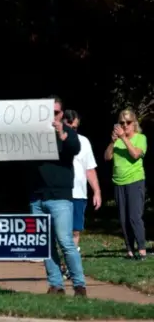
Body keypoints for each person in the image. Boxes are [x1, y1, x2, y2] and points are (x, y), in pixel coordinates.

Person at [0, 95, 87, 297]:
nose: (52, 117)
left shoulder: (68, 133)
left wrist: (62, 132)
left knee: (65, 241)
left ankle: (79, 285)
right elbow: (9, 147)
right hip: (37, 196)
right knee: (45, 244)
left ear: (62, 114)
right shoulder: (32, 134)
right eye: (48, 113)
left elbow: (75, 148)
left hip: (60, 196)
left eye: (56, 113)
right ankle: (56, 285)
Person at [104, 108, 148, 260]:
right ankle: (129, 250)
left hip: (135, 180)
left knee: (134, 216)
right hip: (118, 182)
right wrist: (112, 141)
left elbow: (136, 154)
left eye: (128, 122)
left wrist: (124, 138)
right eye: (122, 123)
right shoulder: (117, 140)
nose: (125, 125)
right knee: (123, 218)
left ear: (134, 123)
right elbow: (107, 157)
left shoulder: (140, 138)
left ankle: (142, 249)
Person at [63, 110, 102, 249]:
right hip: (58, 194)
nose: (72, 130)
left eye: (75, 128)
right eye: (69, 127)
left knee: (75, 231)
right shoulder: (53, 141)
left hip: (78, 193)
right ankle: (60, 262)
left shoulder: (84, 141)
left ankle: (69, 265)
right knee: (59, 231)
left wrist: (97, 191)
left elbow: (90, 169)